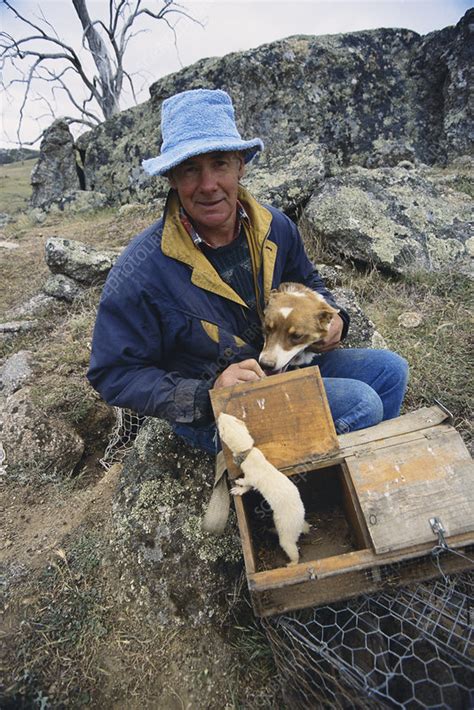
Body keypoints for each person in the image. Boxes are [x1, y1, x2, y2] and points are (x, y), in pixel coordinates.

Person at [87, 88, 408, 457]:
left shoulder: (275, 226)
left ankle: (362, 474)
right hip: (213, 407)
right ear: (172, 178)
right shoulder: (141, 270)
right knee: (362, 404)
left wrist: (334, 318)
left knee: (391, 371)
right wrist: (208, 394)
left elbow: (309, 283)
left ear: (241, 164)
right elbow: (114, 373)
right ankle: (310, 490)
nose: (208, 185)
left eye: (220, 163)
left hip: (279, 364)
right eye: (191, 169)